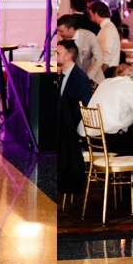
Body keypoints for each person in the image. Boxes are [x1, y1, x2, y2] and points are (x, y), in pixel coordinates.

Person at [77, 70, 133, 156]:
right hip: (105, 141)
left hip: (87, 138)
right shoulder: (132, 87)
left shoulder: (107, 81)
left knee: (130, 138)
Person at [55, 39, 94, 196]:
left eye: (58, 53)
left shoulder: (79, 78)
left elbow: (84, 106)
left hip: (74, 126)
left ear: (68, 57)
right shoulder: (64, 75)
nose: (54, 56)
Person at [56, 14, 103, 84]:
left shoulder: (89, 36)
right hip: (72, 80)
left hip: (93, 79)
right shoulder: (59, 39)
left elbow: (99, 59)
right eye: (58, 31)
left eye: (61, 31)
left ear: (71, 29)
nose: (59, 33)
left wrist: (88, 77)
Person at [90, 0, 122, 78]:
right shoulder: (106, 27)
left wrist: (98, 74)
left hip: (108, 71)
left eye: (90, 14)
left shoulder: (108, 29)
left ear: (96, 14)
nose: (90, 17)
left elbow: (106, 56)